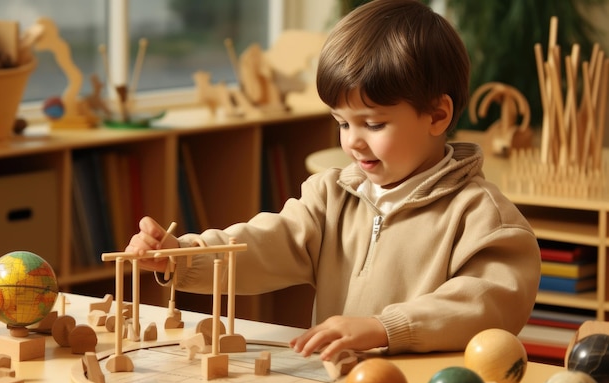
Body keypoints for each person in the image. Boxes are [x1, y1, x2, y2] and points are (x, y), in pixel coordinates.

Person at [125, 0, 540, 361]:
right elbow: (267, 242)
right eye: (342, 122)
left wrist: (385, 328)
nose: (353, 141)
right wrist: (184, 255)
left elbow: (490, 302)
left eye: (373, 123)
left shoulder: (480, 214)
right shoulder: (331, 193)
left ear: (437, 115)